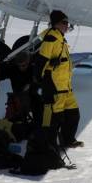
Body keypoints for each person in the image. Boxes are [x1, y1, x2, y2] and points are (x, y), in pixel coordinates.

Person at [35, 10, 83, 148]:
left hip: (66, 88)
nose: (67, 25)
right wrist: (42, 83)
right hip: (56, 87)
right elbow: (41, 61)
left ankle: (68, 140)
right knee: (53, 119)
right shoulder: (51, 38)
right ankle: (49, 145)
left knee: (73, 115)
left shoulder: (60, 37)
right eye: (64, 22)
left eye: (67, 22)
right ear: (57, 23)